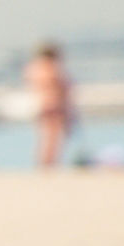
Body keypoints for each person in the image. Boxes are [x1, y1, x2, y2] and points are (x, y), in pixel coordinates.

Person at [25, 42, 76, 170]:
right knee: (53, 138)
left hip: (41, 104)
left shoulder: (33, 68)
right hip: (54, 105)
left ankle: (44, 164)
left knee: (45, 137)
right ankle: (48, 164)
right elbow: (64, 87)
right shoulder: (52, 69)